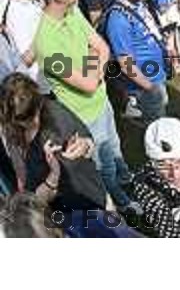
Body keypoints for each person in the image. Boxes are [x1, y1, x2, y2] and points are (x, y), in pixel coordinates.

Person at [33, 0, 138, 213]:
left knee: (115, 149)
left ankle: (128, 184)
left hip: (102, 103)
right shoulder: (46, 44)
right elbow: (89, 83)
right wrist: (96, 63)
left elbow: (101, 45)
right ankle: (123, 205)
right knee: (104, 167)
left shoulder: (72, 10)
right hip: (84, 117)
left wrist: (94, 62)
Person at [0, 73, 106, 214]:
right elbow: (23, 179)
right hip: (52, 211)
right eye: (23, 119)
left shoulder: (56, 114)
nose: (33, 122)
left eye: (33, 114)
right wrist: (52, 177)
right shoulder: (10, 130)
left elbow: (87, 140)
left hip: (84, 202)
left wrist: (85, 145)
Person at [104, 0, 170, 124]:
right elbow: (126, 63)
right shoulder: (118, 19)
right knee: (157, 124)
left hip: (156, 75)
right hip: (144, 84)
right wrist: (149, 87)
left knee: (161, 108)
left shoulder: (138, 3)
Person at [4, 0, 50, 93]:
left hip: (51, 72)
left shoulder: (30, 3)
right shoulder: (15, 11)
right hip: (40, 78)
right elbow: (25, 55)